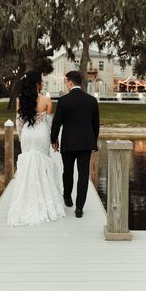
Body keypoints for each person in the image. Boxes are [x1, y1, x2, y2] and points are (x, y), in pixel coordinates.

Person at [7, 71, 66, 226]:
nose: (42, 83)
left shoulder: (20, 101)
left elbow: (19, 124)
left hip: (27, 134)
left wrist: (22, 139)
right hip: (41, 134)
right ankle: (46, 199)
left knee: (27, 164)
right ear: (37, 83)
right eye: (41, 81)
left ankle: (26, 198)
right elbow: (49, 124)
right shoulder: (47, 100)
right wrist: (54, 141)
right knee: (43, 164)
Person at [51, 71, 99, 218]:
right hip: (86, 143)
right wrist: (93, 141)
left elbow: (56, 123)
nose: (66, 85)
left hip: (69, 142)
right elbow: (96, 125)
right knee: (84, 174)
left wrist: (54, 140)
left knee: (68, 171)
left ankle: (67, 198)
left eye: (66, 82)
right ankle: (79, 207)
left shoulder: (63, 101)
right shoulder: (92, 100)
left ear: (70, 83)